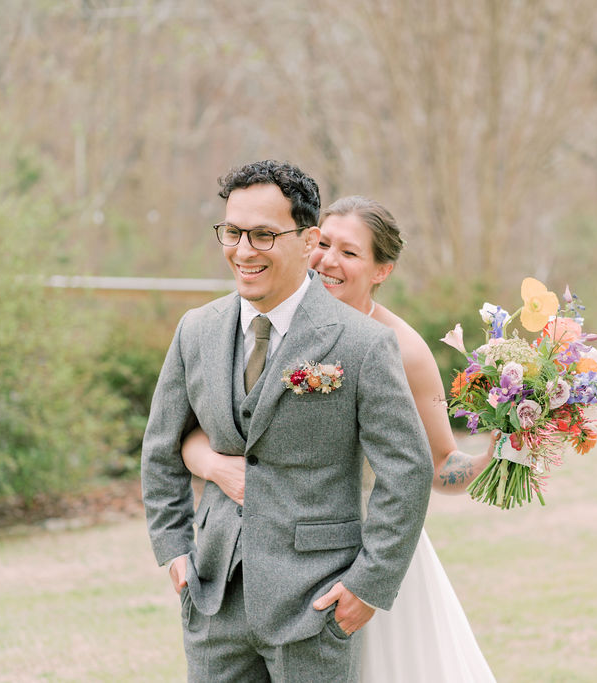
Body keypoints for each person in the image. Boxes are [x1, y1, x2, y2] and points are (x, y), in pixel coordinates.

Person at [182, 195, 498, 682]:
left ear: (381, 271)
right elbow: (207, 433)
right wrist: (213, 465)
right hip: (265, 561)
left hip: (364, 554)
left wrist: (497, 454)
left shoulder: (402, 349)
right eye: (323, 243)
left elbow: (435, 467)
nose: (327, 260)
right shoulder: (266, 319)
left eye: (349, 253)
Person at [141, 161, 433, 682]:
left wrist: (368, 584)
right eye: (232, 232)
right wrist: (173, 549)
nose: (243, 250)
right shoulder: (195, 330)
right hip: (211, 598)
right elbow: (161, 448)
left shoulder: (362, 343)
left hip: (316, 605)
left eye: (263, 235)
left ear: (307, 240)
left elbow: (406, 471)